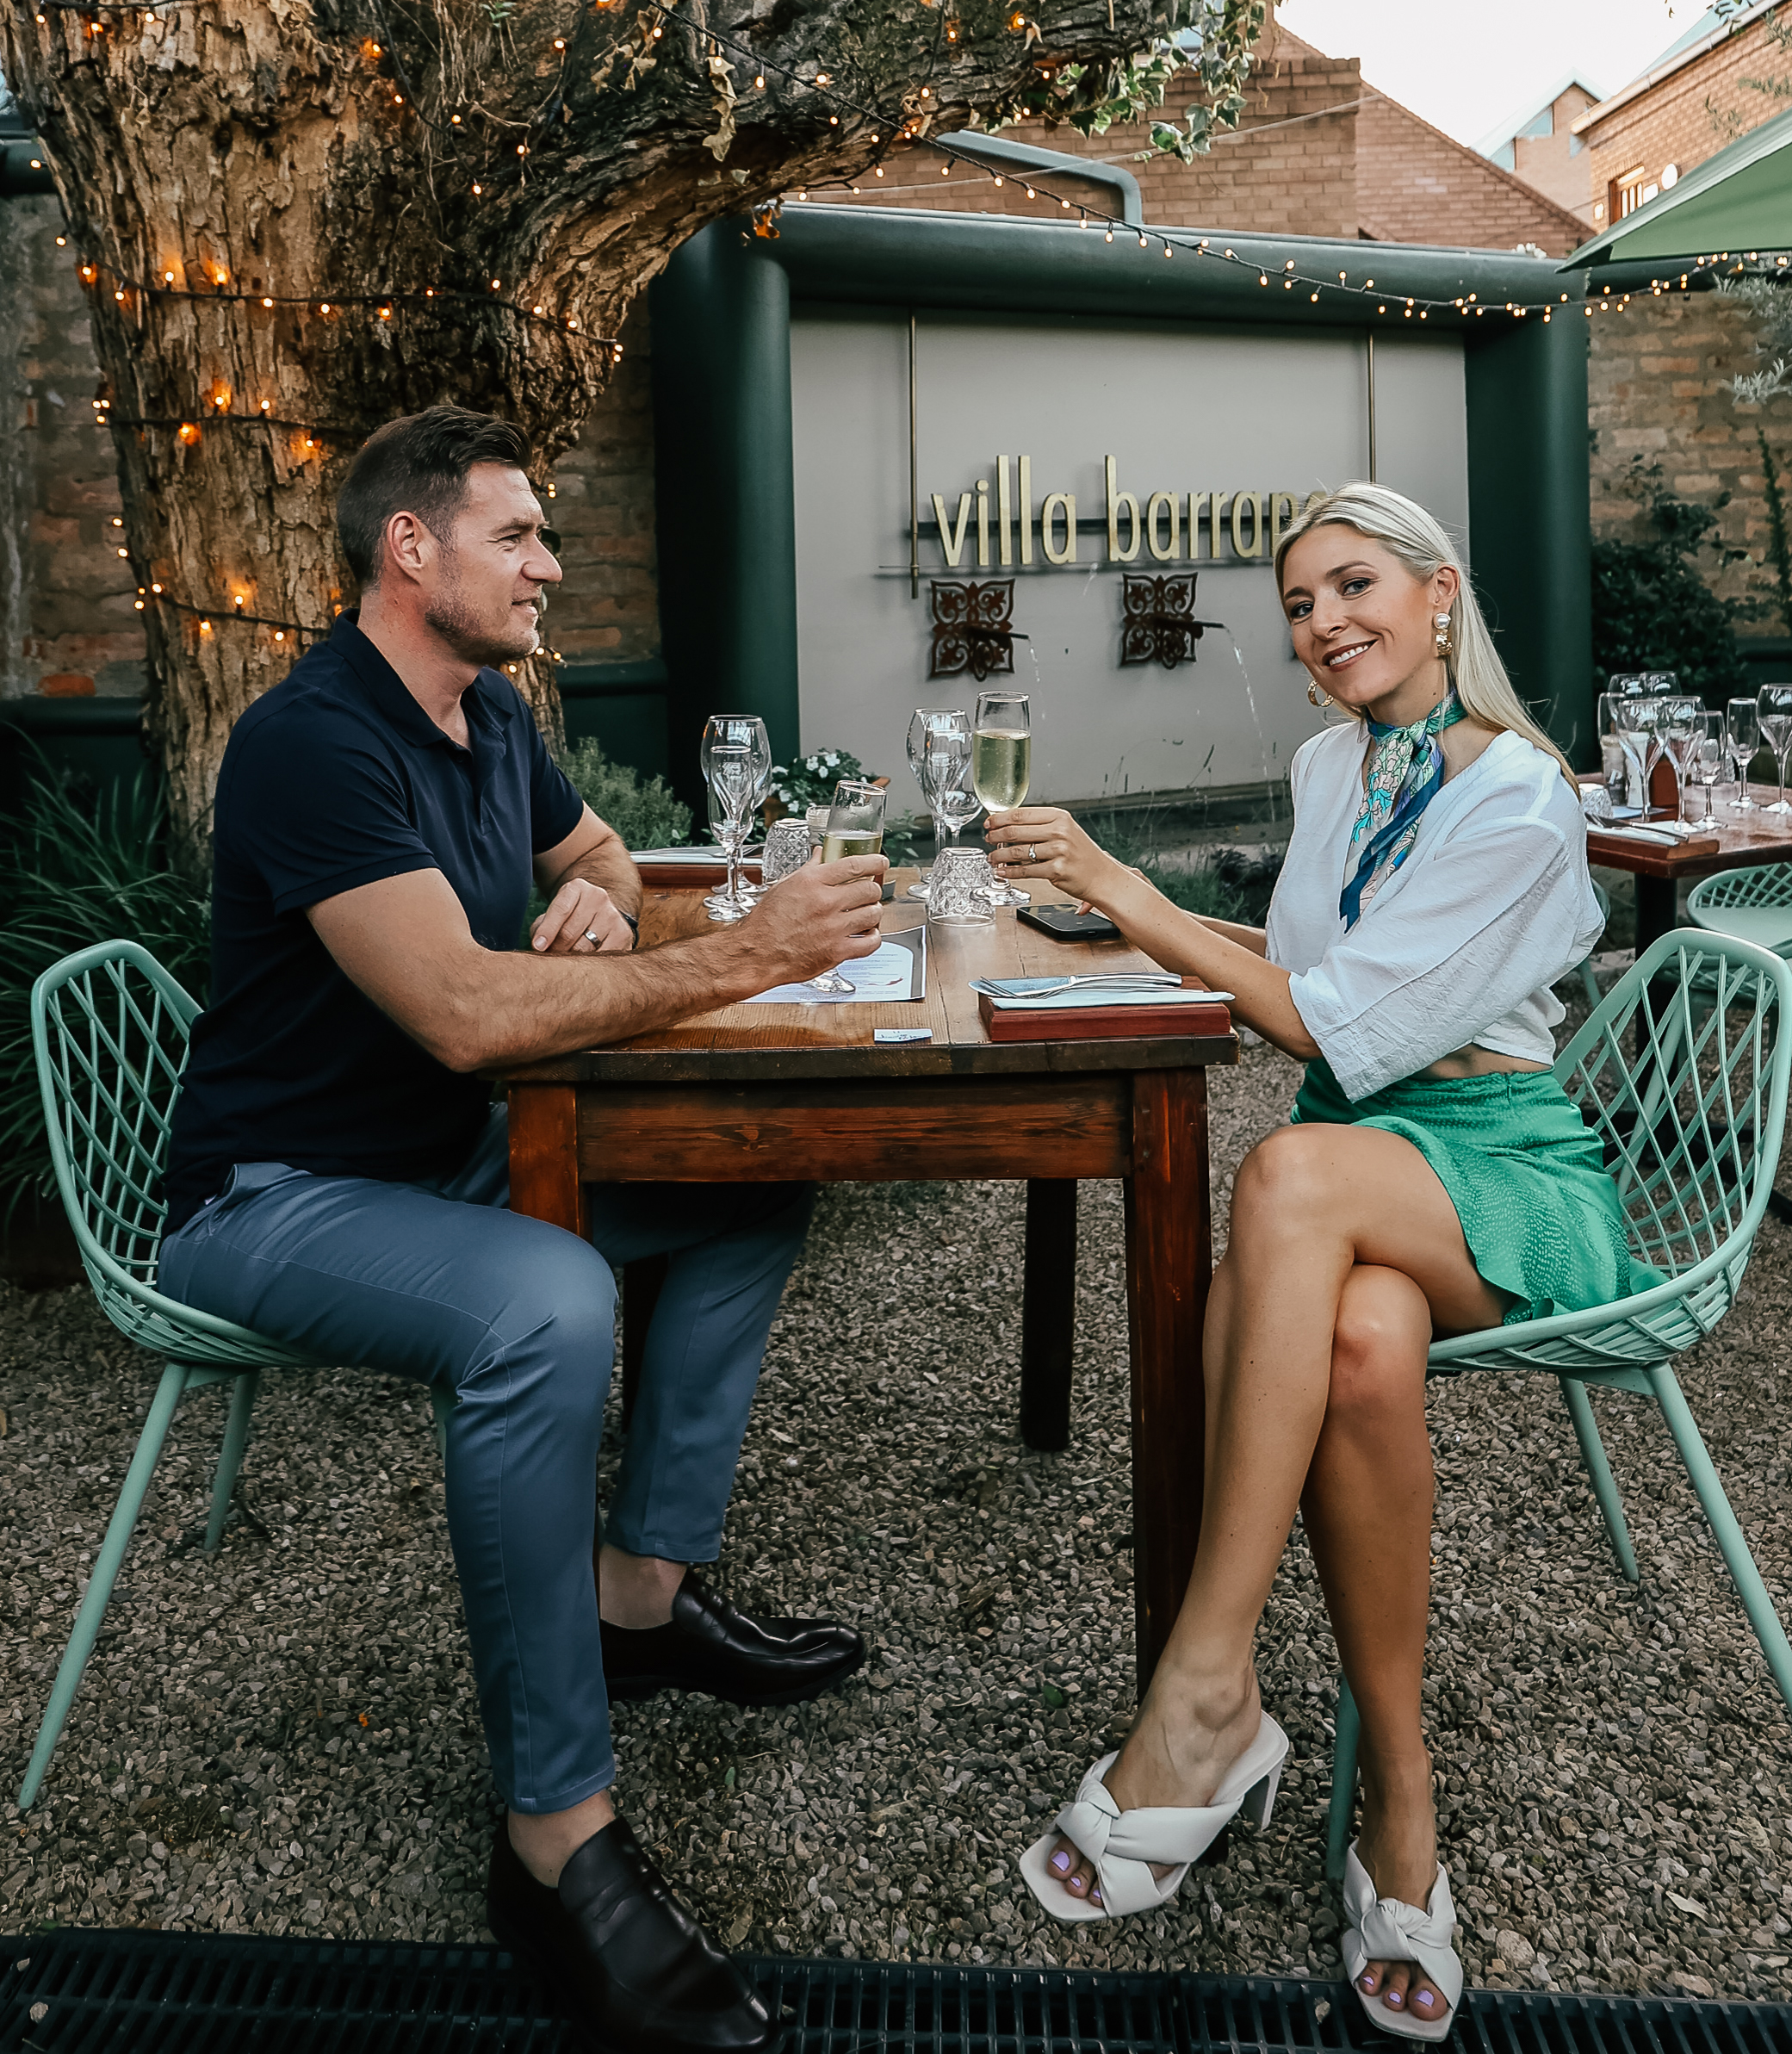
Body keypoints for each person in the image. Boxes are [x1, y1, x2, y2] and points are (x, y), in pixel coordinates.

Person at [158, 405, 888, 2054]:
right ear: (410, 549)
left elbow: (602, 854)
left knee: (751, 1185)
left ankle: (638, 1598)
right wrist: (733, 955)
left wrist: (609, 900)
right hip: (272, 1196)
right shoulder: (314, 741)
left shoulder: (490, 716)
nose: (549, 564)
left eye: (546, 536)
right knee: (546, 1303)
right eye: (518, 535)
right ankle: (552, 1838)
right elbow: (470, 1018)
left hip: (437, 1165)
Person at [986, 481, 1658, 2043]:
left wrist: (1122, 890)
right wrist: (1133, 941)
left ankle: (1207, 1687)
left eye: (1351, 585)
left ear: (1439, 596)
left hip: (1497, 1166)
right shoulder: (1327, 763)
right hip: (1362, 1182)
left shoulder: (1521, 796)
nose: (1323, 622)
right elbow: (1298, 972)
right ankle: (1399, 1799)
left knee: (1283, 1170)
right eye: (1297, 603)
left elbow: (1324, 1022)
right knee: (1355, 1338)